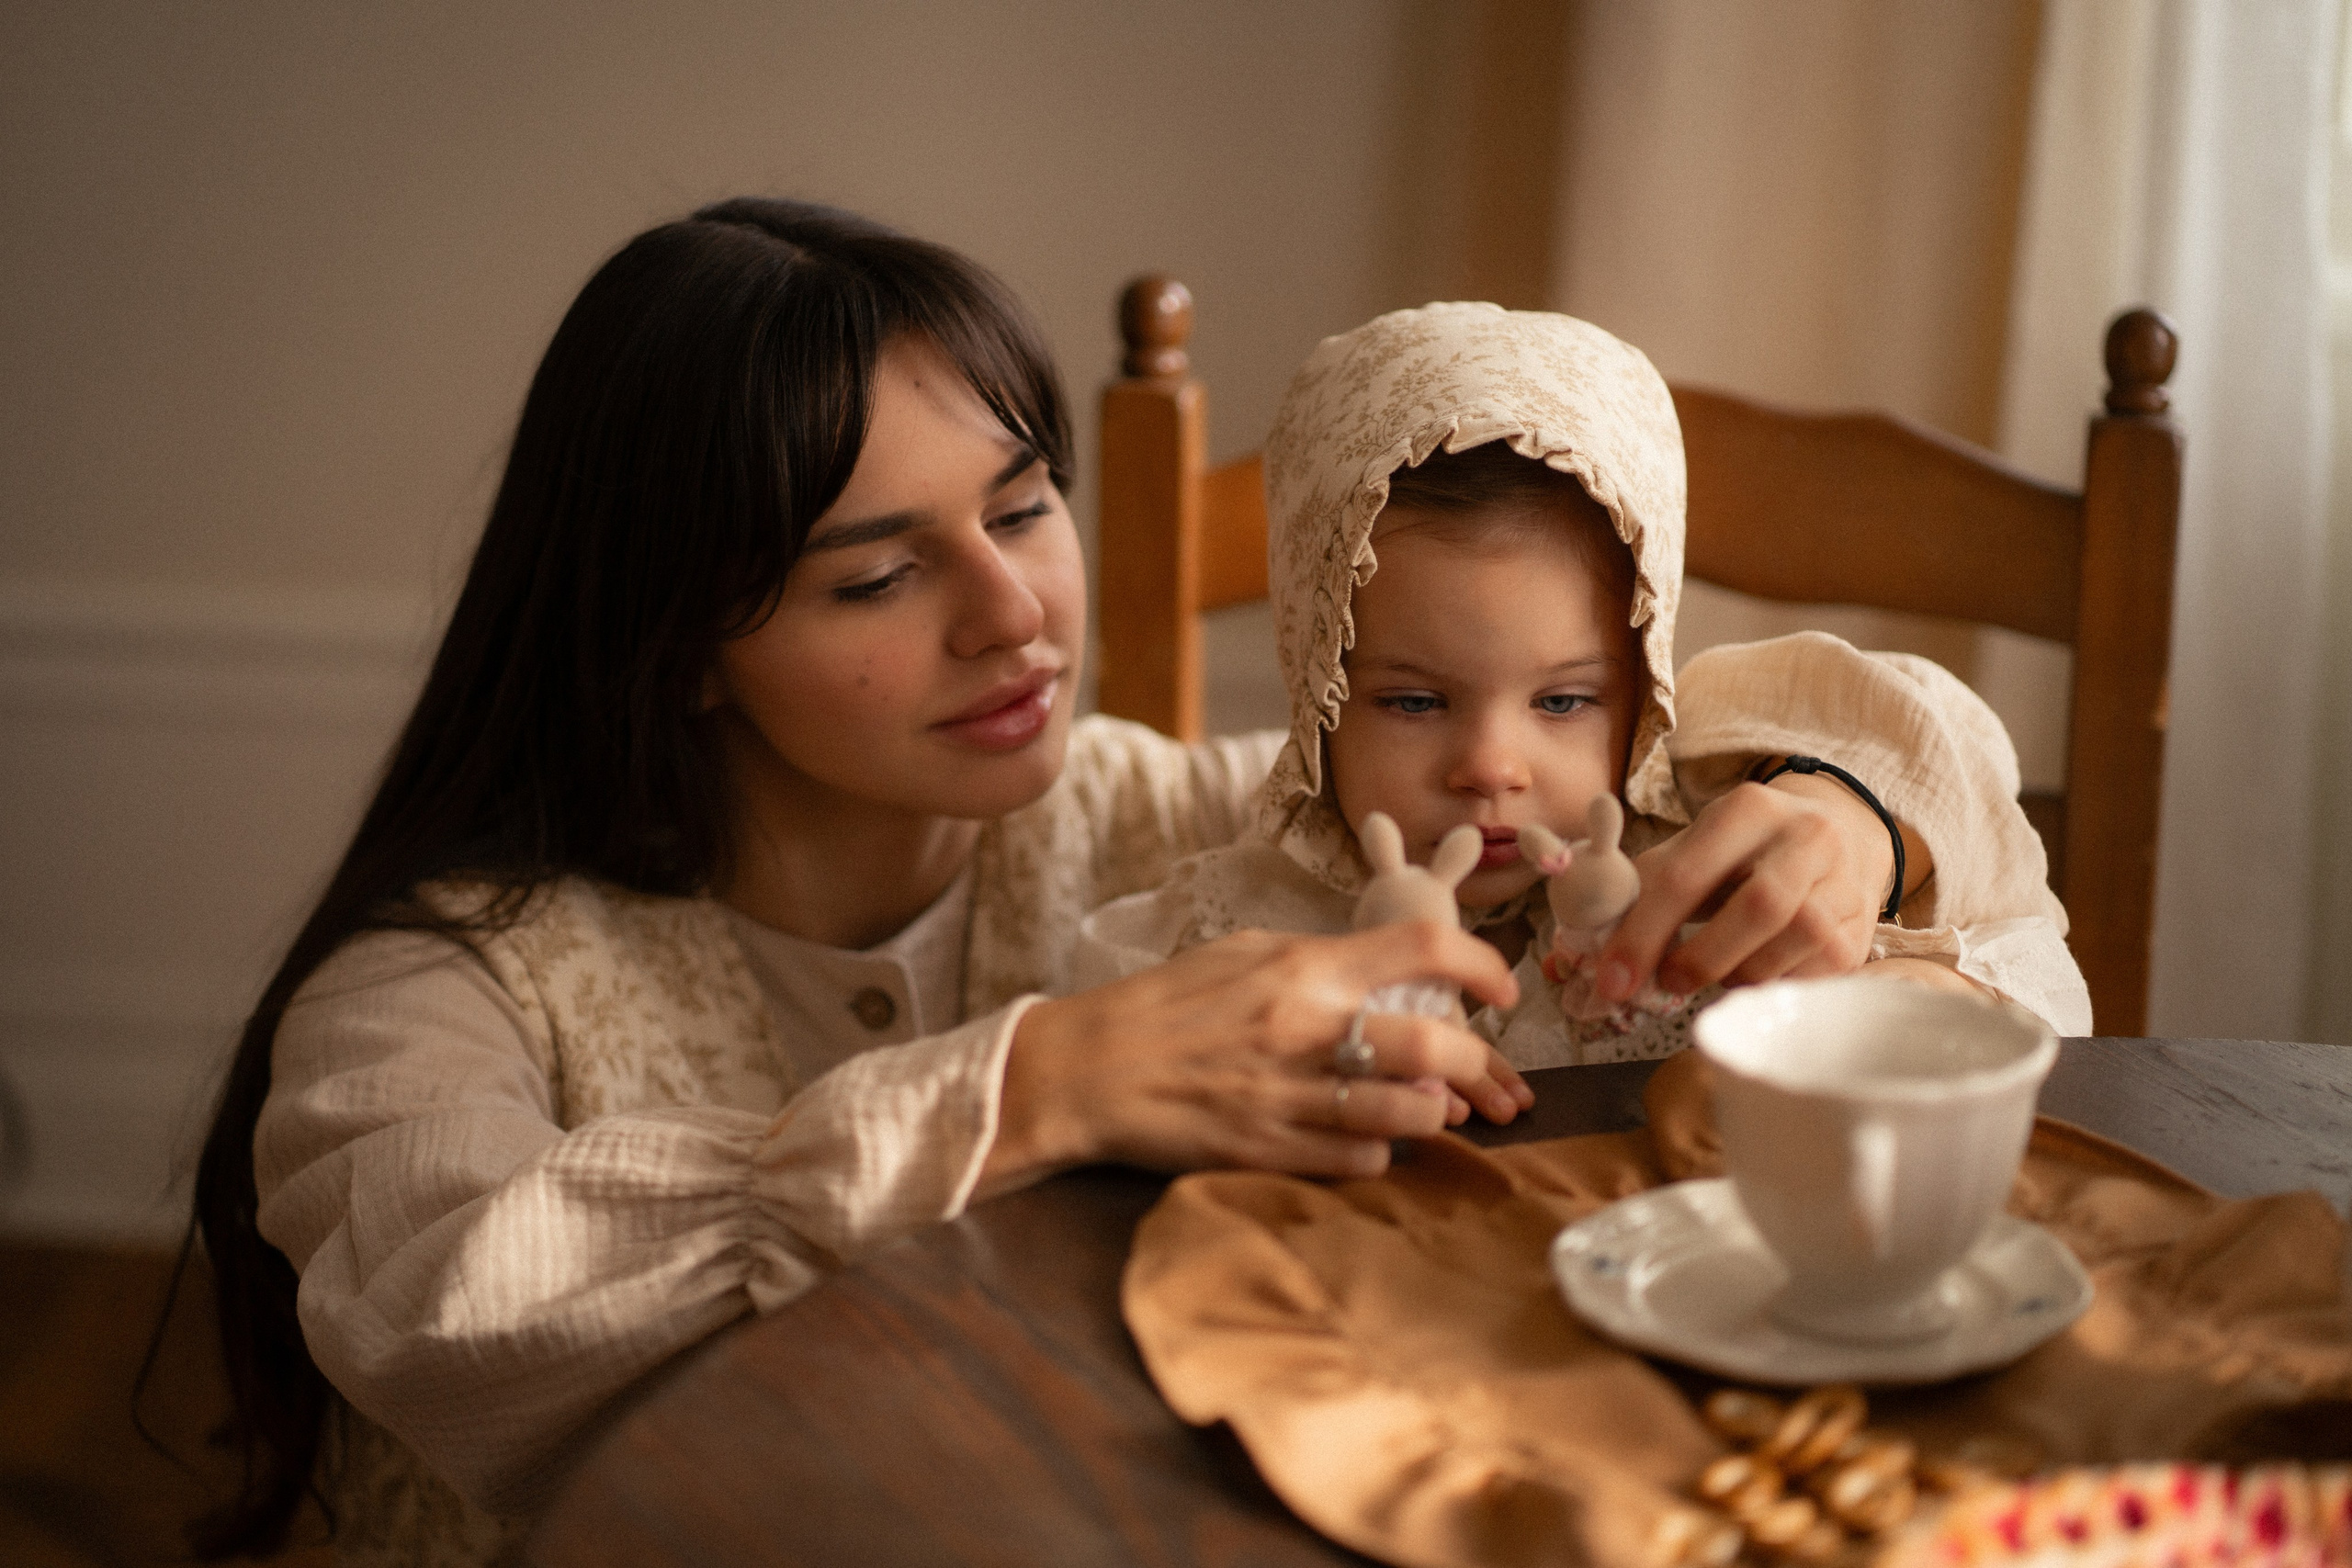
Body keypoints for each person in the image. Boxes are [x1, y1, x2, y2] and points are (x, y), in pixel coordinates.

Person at [182, 201, 2042, 1567]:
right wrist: (1040, 1084)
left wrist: (1839, 811)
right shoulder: (446, 982)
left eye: (1019, 506)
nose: (1014, 614)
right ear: (678, 647)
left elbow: (1671, 762)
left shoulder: (1185, 831)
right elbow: (438, 1301)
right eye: (875, 574)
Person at [1076, 304, 2090, 1066]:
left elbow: (2044, 992)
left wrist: (1927, 995)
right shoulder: (1238, 934)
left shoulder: (1710, 895)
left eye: (1562, 701)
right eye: (1413, 702)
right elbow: (1103, 1049)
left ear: (1643, 687)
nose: (1490, 768)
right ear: (1315, 695)